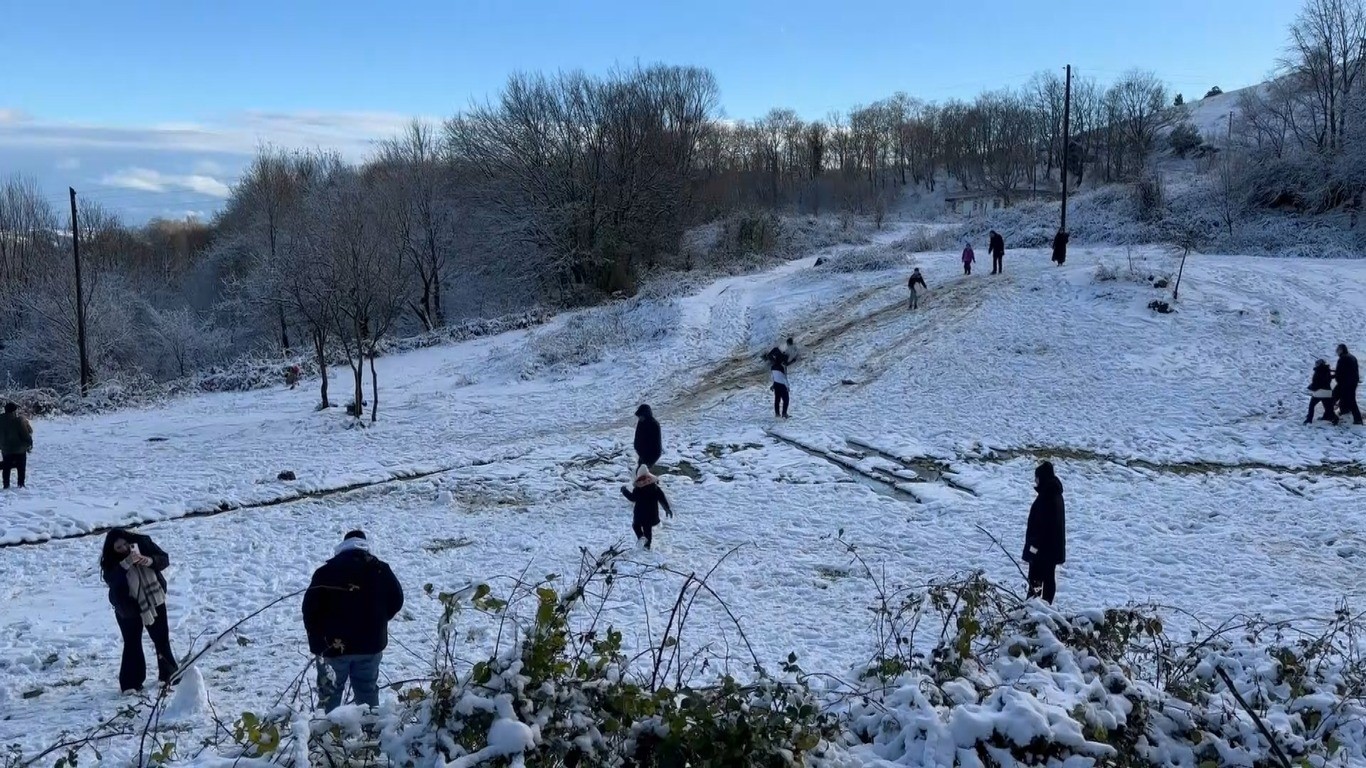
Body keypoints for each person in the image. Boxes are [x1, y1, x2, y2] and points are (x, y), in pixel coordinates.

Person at [302, 530, 405, 712]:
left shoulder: (325, 572)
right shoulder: (381, 570)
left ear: (343, 547)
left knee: (329, 695)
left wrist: (319, 642)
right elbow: (396, 600)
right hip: (370, 645)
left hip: (332, 647)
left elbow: (310, 609)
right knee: (367, 693)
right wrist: (378, 621)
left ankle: (327, 736)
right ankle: (370, 733)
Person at [100, 529, 178, 694]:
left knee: (161, 639)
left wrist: (148, 561)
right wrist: (125, 565)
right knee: (132, 643)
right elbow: (112, 580)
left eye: (124, 544)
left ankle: (169, 674)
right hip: (128, 607)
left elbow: (163, 559)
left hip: (154, 599)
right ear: (112, 549)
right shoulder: (110, 562)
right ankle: (131, 683)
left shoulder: (143, 544)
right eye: (118, 547)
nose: (123, 548)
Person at [1022, 462, 1066, 604]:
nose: (1035, 481)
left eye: (1037, 478)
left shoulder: (1047, 497)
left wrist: (1032, 549)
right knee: (1048, 577)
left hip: (1040, 550)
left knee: (1036, 577)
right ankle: (1045, 606)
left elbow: (1041, 527)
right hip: (1051, 549)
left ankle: (1034, 607)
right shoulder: (1054, 494)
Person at [621, 464, 673, 550]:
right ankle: (646, 543)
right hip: (651, 514)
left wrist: (624, 490)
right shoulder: (655, 488)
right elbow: (662, 498)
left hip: (640, 514)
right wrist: (666, 508)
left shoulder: (638, 490)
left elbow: (631, 498)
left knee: (637, 526)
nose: (644, 481)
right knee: (646, 529)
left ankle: (643, 539)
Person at [0, 402, 33, 490]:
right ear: (14, 411)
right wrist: (29, 443)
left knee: (6, 467)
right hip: (19, 449)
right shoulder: (19, 421)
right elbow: (26, 434)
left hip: (5, 449)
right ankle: (20, 485)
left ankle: (6, 485)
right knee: (21, 467)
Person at [1335, 344, 1362, 425]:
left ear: (1341, 350)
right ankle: (1344, 410)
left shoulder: (1343, 358)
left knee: (1350, 400)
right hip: (1353, 382)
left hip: (1345, 383)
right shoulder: (1352, 357)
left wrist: (1336, 378)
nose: (1337, 351)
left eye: (1338, 350)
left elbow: (1339, 372)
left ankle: (1358, 419)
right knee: (1345, 397)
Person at [1306, 359, 1339, 425]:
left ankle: (1309, 419)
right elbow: (1330, 378)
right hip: (1327, 392)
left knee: (1312, 405)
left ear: (1319, 364)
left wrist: (1310, 387)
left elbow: (1316, 383)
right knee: (1328, 408)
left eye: (1317, 363)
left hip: (1319, 392)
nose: (1316, 364)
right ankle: (1335, 419)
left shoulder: (1318, 371)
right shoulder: (1327, 370)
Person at [764, 344, 792, 418]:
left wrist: (773, 384)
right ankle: (784, 413)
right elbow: (783, 377)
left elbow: (776, 377)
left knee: (777, 399)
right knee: (786, 400)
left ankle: (777, 414)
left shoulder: (773, 367)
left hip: (776, 384)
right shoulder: (782, 367)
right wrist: (787, 386)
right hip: (782, 385)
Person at [633, 404, 662, 470]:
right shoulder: (641, 422)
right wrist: (636, 447)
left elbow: (656, 444)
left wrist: (650, 459)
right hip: (642, 454)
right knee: (639, 472)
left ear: (646, 415)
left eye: (641, 416)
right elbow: (637, 436)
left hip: (651, 455)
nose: (640, 418)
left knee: (644, 474)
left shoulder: (654, 425)